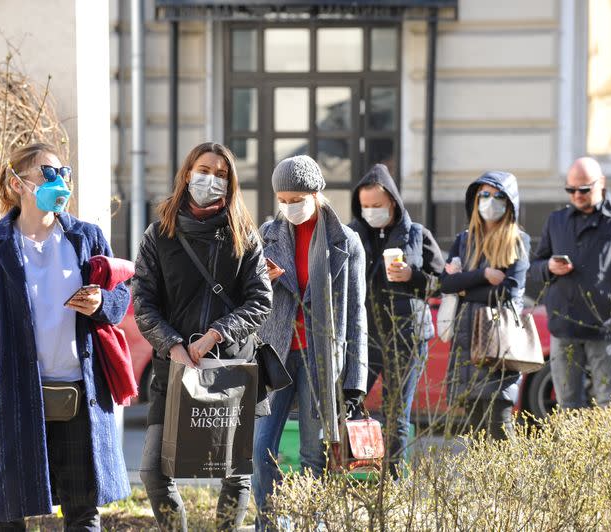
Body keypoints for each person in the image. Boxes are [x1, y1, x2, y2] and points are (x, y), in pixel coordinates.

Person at [0, 143, 131, 530]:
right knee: (7, 510)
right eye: (49, 174)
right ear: (18, 183)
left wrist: (102, 301)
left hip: (79, 393)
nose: (61, 182)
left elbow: (121, 299)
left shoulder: (86, 237)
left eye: (65, 173)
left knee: (83, 510)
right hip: (17, 397)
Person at [132, 142, 272, 531]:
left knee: (235, 472)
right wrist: (173, 345)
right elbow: (143, 300)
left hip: (231, 366)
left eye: (222, 174)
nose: (212, 179)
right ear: (187, 173)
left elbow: (261, 301)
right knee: (153, 470)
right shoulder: (159, 234)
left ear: (231, 183)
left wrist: (215, 334)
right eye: (204, 169)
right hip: (175, 368)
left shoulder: (243, 233)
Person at [253, 155, 368, 529]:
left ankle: (311, 524)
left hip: (320, 356)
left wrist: (355, 383)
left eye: (296, 198)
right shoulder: (269, 234)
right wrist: (262, 283)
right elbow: (247, 299)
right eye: (282, 199)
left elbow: (356, 313)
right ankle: (268, 525)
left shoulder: (346, 242)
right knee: (260, 448)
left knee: (313, 453)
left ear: (316, 193)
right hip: (275, 353)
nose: (289, 207)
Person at [348, 163, 444, 475]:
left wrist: (412, 276)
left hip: (407, 338)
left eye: (377, 206)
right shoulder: (352, 236)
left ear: (393, 203)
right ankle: (349, 473)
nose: (371, 211)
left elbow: (441, 281)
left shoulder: (417, 235)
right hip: (365, 337)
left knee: (396, 414)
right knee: (347, 404)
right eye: (365, 206)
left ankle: (391, 484)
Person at [530, 157, 611, 409]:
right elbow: (535, 266)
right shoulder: (557, 220)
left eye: (584, 189)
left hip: (603, 327)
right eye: (571, 189)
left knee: (609, 402)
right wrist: (549, 267)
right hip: (564, 324)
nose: (577, 195)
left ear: (601, 183)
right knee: (567, 403)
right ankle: (572, 450)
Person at [439, 171, 530, 440]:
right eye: (485, 195)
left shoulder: (518, 241)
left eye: (498, 196)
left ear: (509, 202)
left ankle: (514, 485)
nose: (491, 201)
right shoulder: (464, 239)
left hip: (498, 346)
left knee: (500, 429)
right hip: (466, 347)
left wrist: (465, 286)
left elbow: (510, 291)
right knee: (475, 435)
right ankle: (486, 485)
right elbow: (445, 284)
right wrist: (483, 276)